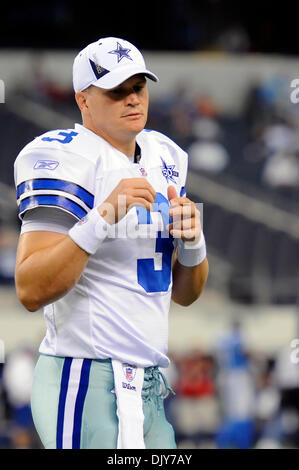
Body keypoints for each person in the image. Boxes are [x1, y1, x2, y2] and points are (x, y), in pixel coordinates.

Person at [13, 37, 209, 449]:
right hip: (83, 377)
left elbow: (186, 294)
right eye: (116, 91)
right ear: (84, 100)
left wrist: (194, 244)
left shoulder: (165, 156)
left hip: (151, 381)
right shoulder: (65, 157)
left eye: (138, 87)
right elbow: (30, 289)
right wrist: (101, 217)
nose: (132, 99)